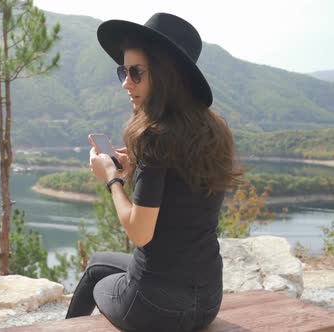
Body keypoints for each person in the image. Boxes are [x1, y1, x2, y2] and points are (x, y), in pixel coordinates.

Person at [65, 13, 243, 332]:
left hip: (154, 306)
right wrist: (137, 167)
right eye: (123, 70)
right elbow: (180, 196)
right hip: (207, 300)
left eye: (136, 73)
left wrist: (112, 178)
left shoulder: (154, 137)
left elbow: (139, 232)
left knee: (95, 275)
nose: (125, 82)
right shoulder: (213, 130)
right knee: (101, 261)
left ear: (165, 75)